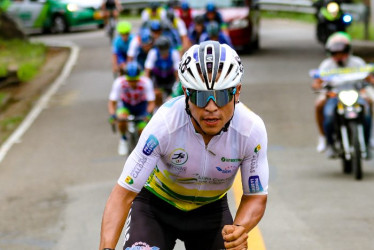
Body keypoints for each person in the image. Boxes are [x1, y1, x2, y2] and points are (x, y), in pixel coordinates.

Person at [99, 41, 269, 250]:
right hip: (156, 208)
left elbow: (255, 196)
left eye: (222, 95)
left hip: (210, 212)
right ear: (186, 92)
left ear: (238, 91)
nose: (211, 108)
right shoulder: (165, 124)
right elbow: (123, 194)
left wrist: (239, 229)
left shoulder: (251, 130)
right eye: (200, 96)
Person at [312, 32, 374, 157]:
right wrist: (320, 88)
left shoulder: (358, 62)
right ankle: (325, 139)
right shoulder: (326, 65)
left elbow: (368, 77)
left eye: (342, 51)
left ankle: (369, 140)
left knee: (367, 110)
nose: (339, 55)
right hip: (334, 95)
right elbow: (317, 82)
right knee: (324, 111)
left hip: (356, 93)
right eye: (335, 52)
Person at [108, 61, 155, 156]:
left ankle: (142, 147)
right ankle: (123, 138)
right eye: (130, 80)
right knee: (121, 119)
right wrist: (113, 115)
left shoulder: (146, 82)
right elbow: (112, 102)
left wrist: (148, 114)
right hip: (126, 105)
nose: (133, 83)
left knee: (143, 129)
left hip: (141, 106)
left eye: (135, 80)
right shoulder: (119, 82)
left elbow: (151, 102)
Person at [144, 36, 180, 108]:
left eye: (165, 50)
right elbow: (147, 71)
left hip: (170, 78)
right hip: (158, 78)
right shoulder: (153, 53)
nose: (163, 53)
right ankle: (156, 109)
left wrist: (175, 89)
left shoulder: (174, 53)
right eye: (161, 51)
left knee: (174, 97)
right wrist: (150, 88)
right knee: (156, 95)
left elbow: (178, 74)